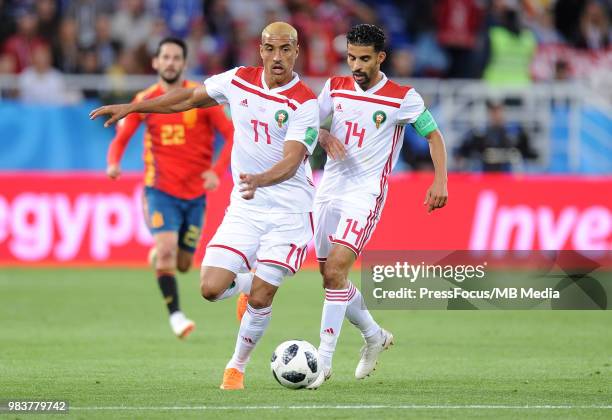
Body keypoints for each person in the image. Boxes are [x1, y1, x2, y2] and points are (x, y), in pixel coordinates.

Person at [90, 22, 319, 390]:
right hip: (246, 206)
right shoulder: (237, 80)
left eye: (286, 49)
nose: (277, 57)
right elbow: (186, 98)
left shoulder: (305, 102)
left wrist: (260, 178)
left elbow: (292, 160)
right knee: (211, 288)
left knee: (263, 296)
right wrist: (135, 108)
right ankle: (246, 283)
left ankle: (236, 367)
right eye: (270, 49)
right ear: (260, 50)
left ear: (296, 52)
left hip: (289, 213)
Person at [309, 24, 448, 388]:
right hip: (328, 191)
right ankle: (374, 335)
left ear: (381, 58)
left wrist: (440, 179)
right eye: (351, 57)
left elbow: (433, 135)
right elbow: (305, 122)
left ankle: (322, 361)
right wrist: (322, 134)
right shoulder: (334, 87)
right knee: (330, 277)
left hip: (365, 194)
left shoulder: (403, 97)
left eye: (364, 58)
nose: (355, 64)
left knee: (337, 269)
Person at [104, 37, 234, 340]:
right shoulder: (145, 100)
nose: (171, 62)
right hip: (159, 190)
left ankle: (162, 255)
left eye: (177, 57)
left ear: (184, 63)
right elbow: (121, 139)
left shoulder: (201, 98)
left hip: (194, 195)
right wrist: (113, 163)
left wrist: (216, 171)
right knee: (166, 252)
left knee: (184, 263)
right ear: (156, 62)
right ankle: (176, 316)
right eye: (166, 57)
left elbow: (231, 134)